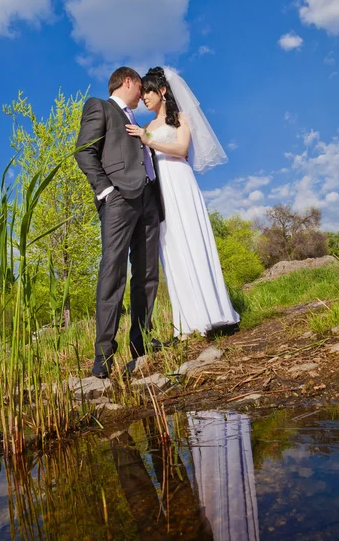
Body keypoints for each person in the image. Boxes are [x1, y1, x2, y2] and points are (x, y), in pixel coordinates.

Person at [126, 66, 239, 338]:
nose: (144, 98)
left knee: (194, 241)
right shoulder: (147, 127)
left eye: (149, 92)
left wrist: (148, 139)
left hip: (181, 183)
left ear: (163, 90)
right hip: (161, 192)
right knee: (173, 248)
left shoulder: (180, 119)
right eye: (142, 94)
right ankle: (189, 322)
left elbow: (181, 150)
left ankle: (216, 313)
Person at [75, 67, 164, 379]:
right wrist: (106, 190)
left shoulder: (136, 120)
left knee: (147, 274)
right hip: (118, 201)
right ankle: (103, 355)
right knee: (113, 273)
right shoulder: (100, 107)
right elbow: (84, 151)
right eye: (140, 86)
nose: (143, 93)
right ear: (129, 81)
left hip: (148, 200)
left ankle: (141, 344)